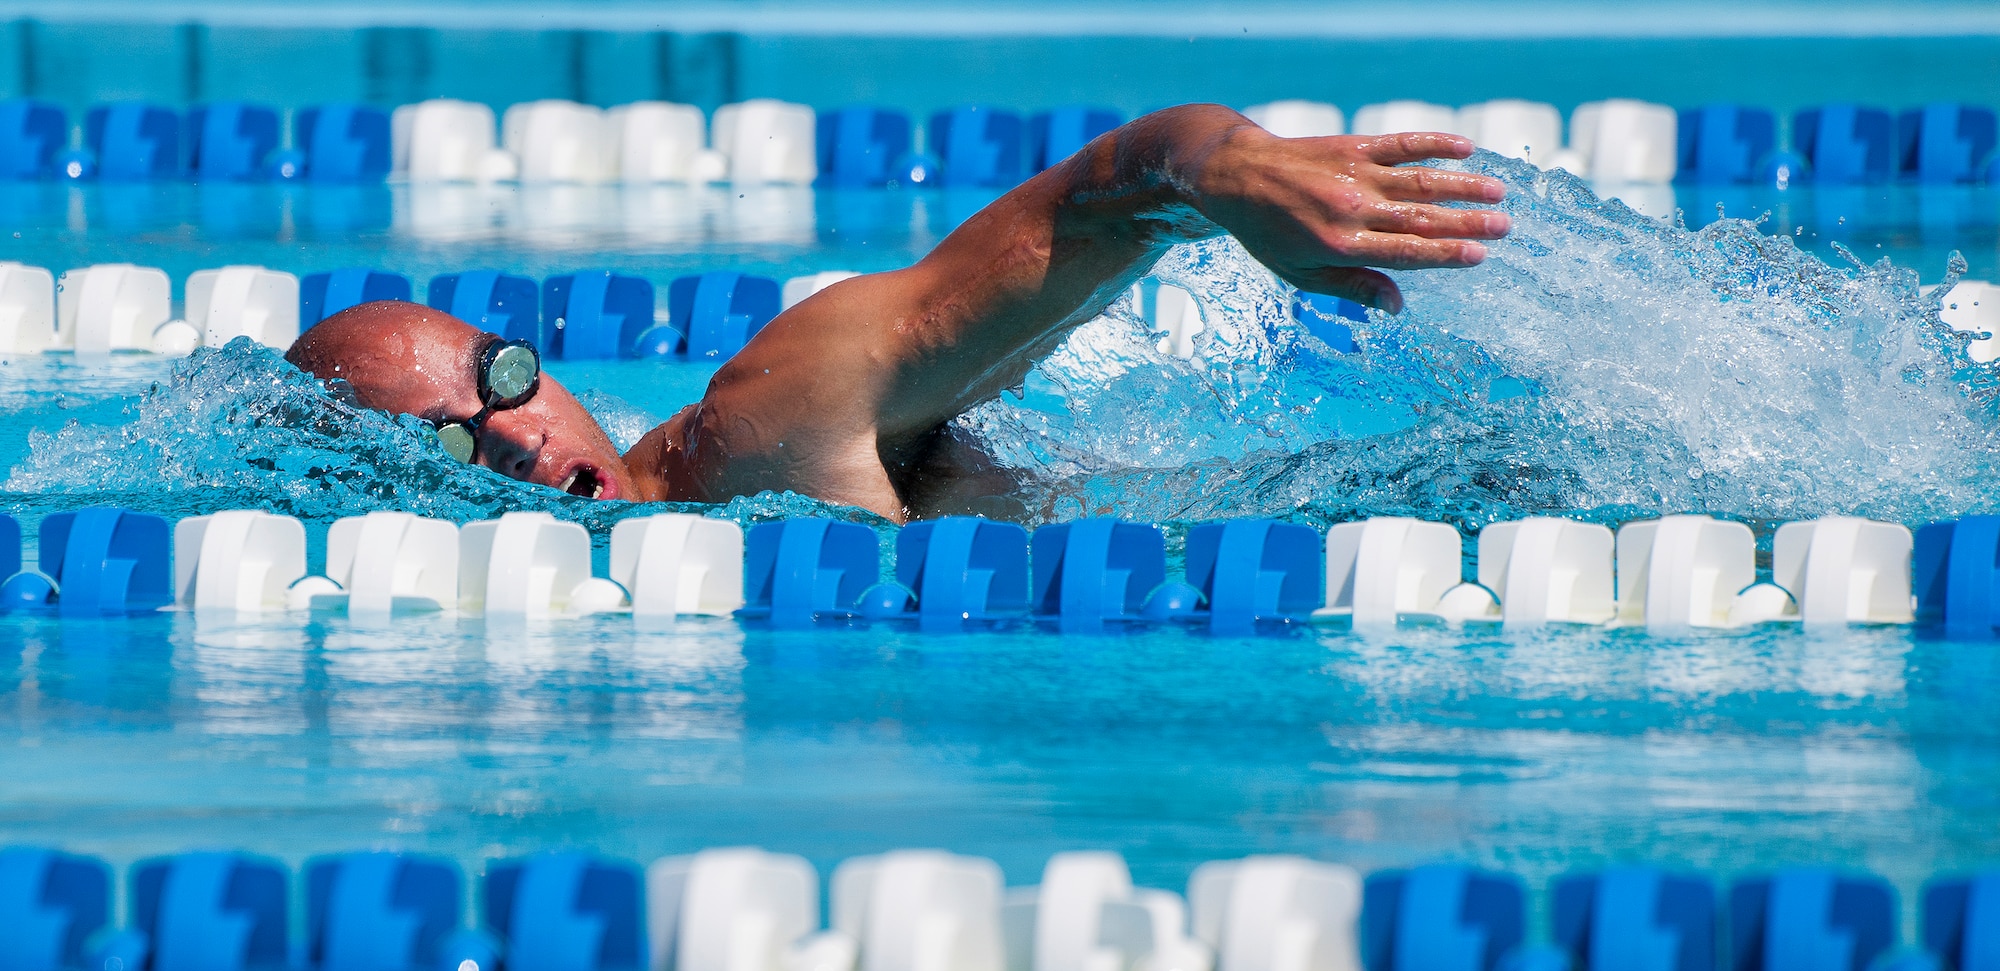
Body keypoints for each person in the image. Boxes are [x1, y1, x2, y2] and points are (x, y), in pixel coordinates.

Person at [285, 104, 1510, 523]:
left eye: (495, 384)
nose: (504, 438)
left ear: (538, 368)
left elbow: (1081, 209)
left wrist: (1223, 172)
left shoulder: (755, 429)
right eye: (447, 445)